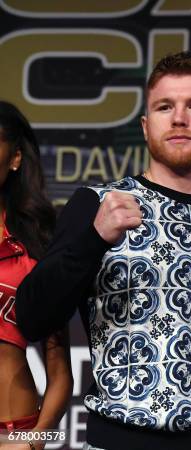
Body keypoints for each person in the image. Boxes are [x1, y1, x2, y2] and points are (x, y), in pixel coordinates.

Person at [16, 52, 191, 450]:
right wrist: (93, 239)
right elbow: (32, 317)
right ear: (146, 127)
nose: (179, 118)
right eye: (165, 107)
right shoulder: (98, 205)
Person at [0, 101, 73, 450]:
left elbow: (60, 370)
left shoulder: (37, 244)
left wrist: (34, 443)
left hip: (16, 433)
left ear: (14, 158)